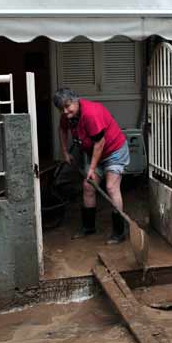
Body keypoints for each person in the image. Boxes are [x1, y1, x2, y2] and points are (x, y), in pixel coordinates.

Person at [54, 88, 130, 244]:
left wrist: (92, 168)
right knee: (88, 186)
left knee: (111, 187)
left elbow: (100, 142)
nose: (65, 111)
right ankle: (88, 227)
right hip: (94, 152)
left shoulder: (91, 113)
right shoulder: (67, 115)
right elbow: (62, 129)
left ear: (76, 100)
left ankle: (119, 232)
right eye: (61, 109)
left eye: (68, 106)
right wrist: (64, 152)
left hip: (113, 150)